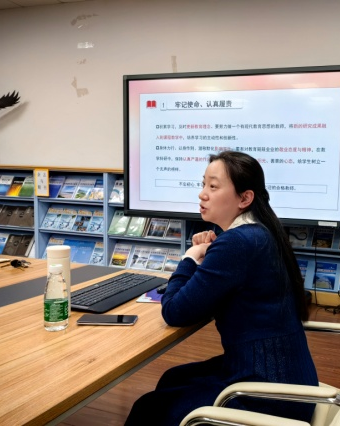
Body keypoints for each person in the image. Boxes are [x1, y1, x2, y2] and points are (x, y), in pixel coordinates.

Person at [125, 151, 318, 425]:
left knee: (148, 408)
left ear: (244, 198)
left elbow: (174, 311)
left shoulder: (237, 243)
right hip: (283, 374)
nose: (202, 194)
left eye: (213, 186)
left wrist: (190, 258)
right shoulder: (260, 232)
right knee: (173, 377)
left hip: (268, 392)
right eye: (203, 184)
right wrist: (210, 254)